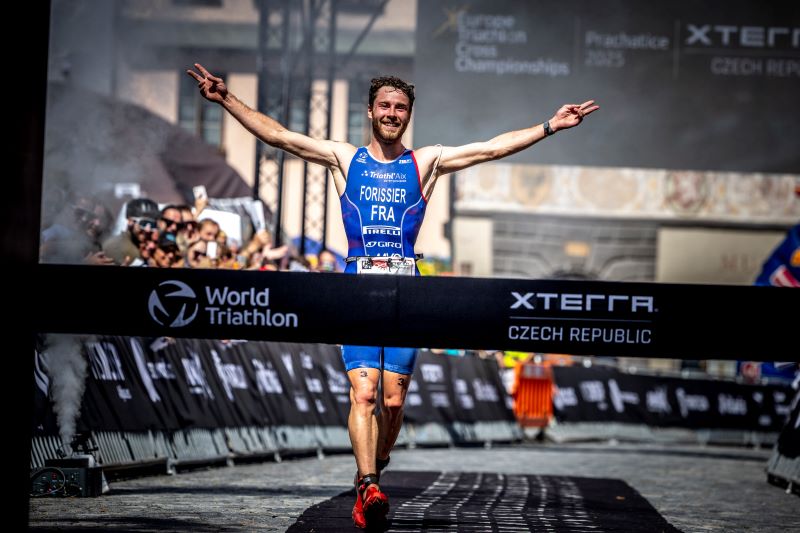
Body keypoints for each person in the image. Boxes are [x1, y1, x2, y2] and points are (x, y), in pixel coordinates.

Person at [187, 62, 598, 528]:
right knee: (363, 394)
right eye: (384, 105)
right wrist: (226, 100)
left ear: (408, 115)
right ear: (370, 111)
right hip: (358, 288)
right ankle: (367, 485)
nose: (391, 113)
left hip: (406, 291)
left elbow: (490, 148)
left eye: (400, 108)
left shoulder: (426, 162)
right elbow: (280, 137)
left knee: (394, 403)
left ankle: (376, 465)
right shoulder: (345, 158)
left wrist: (549, 126)